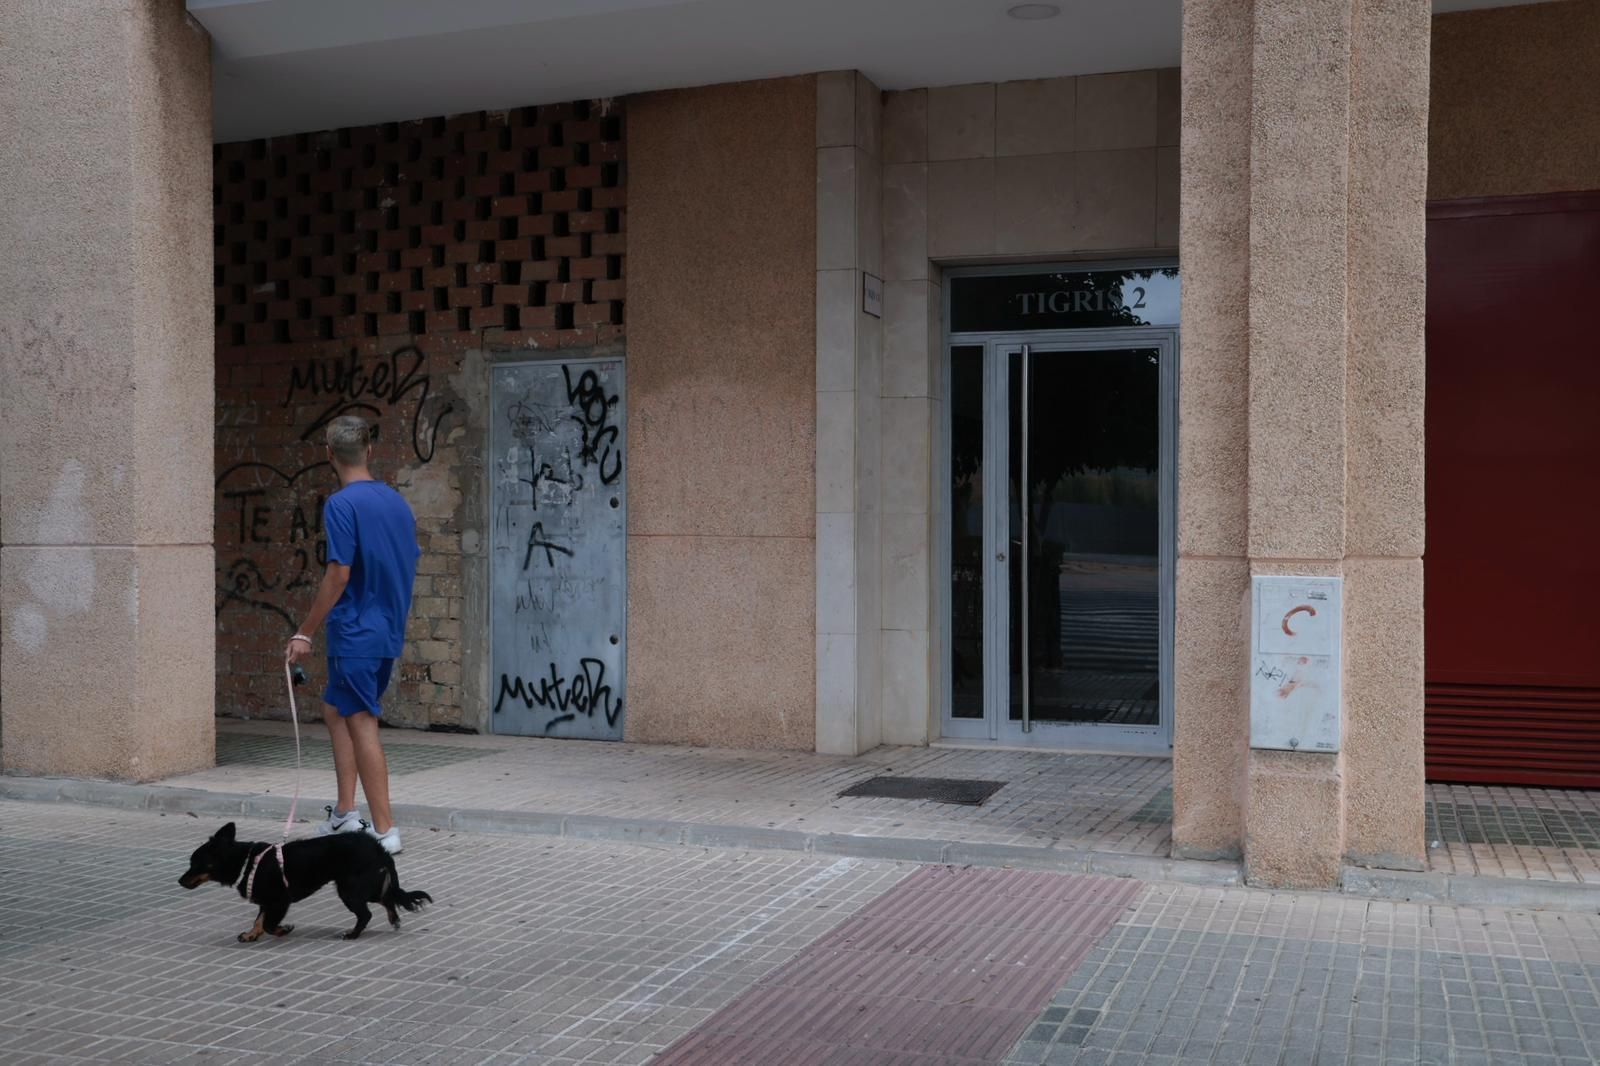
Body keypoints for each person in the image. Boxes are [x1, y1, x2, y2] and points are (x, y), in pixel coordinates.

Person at [284, 415, 421, 855]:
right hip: (385, 631)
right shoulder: (396, 502)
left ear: (329, 454)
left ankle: (385, 831)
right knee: (334, 709)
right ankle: (345, 813)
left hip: (356, 633)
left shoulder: (341, 505)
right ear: (369, 451)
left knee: (361, 720)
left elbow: (339, 573)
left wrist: (305, 632)